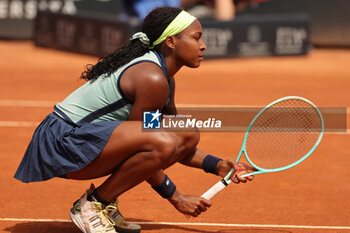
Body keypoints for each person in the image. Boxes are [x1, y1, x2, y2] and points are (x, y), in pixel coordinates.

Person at [14, 7, 256, 233]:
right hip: (60, 144)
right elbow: (154, 143)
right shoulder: (152, 78)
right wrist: (175, 196)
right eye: (196, 38)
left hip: (80, 141)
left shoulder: (164, 78)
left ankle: (103, 202)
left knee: (187, 131)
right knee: (161, 140)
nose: (203, 46)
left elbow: (179, 141)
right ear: (171, 42)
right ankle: (92, 206)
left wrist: (218, 166)